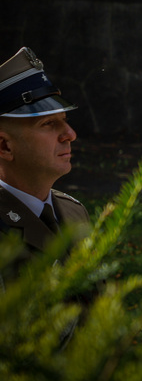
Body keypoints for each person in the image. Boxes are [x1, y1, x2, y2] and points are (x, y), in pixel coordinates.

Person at [0, 47, 89, 287]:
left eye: (65, 120)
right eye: (48, 123)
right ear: (4, 146)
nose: (70, 134)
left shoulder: (74, 212)